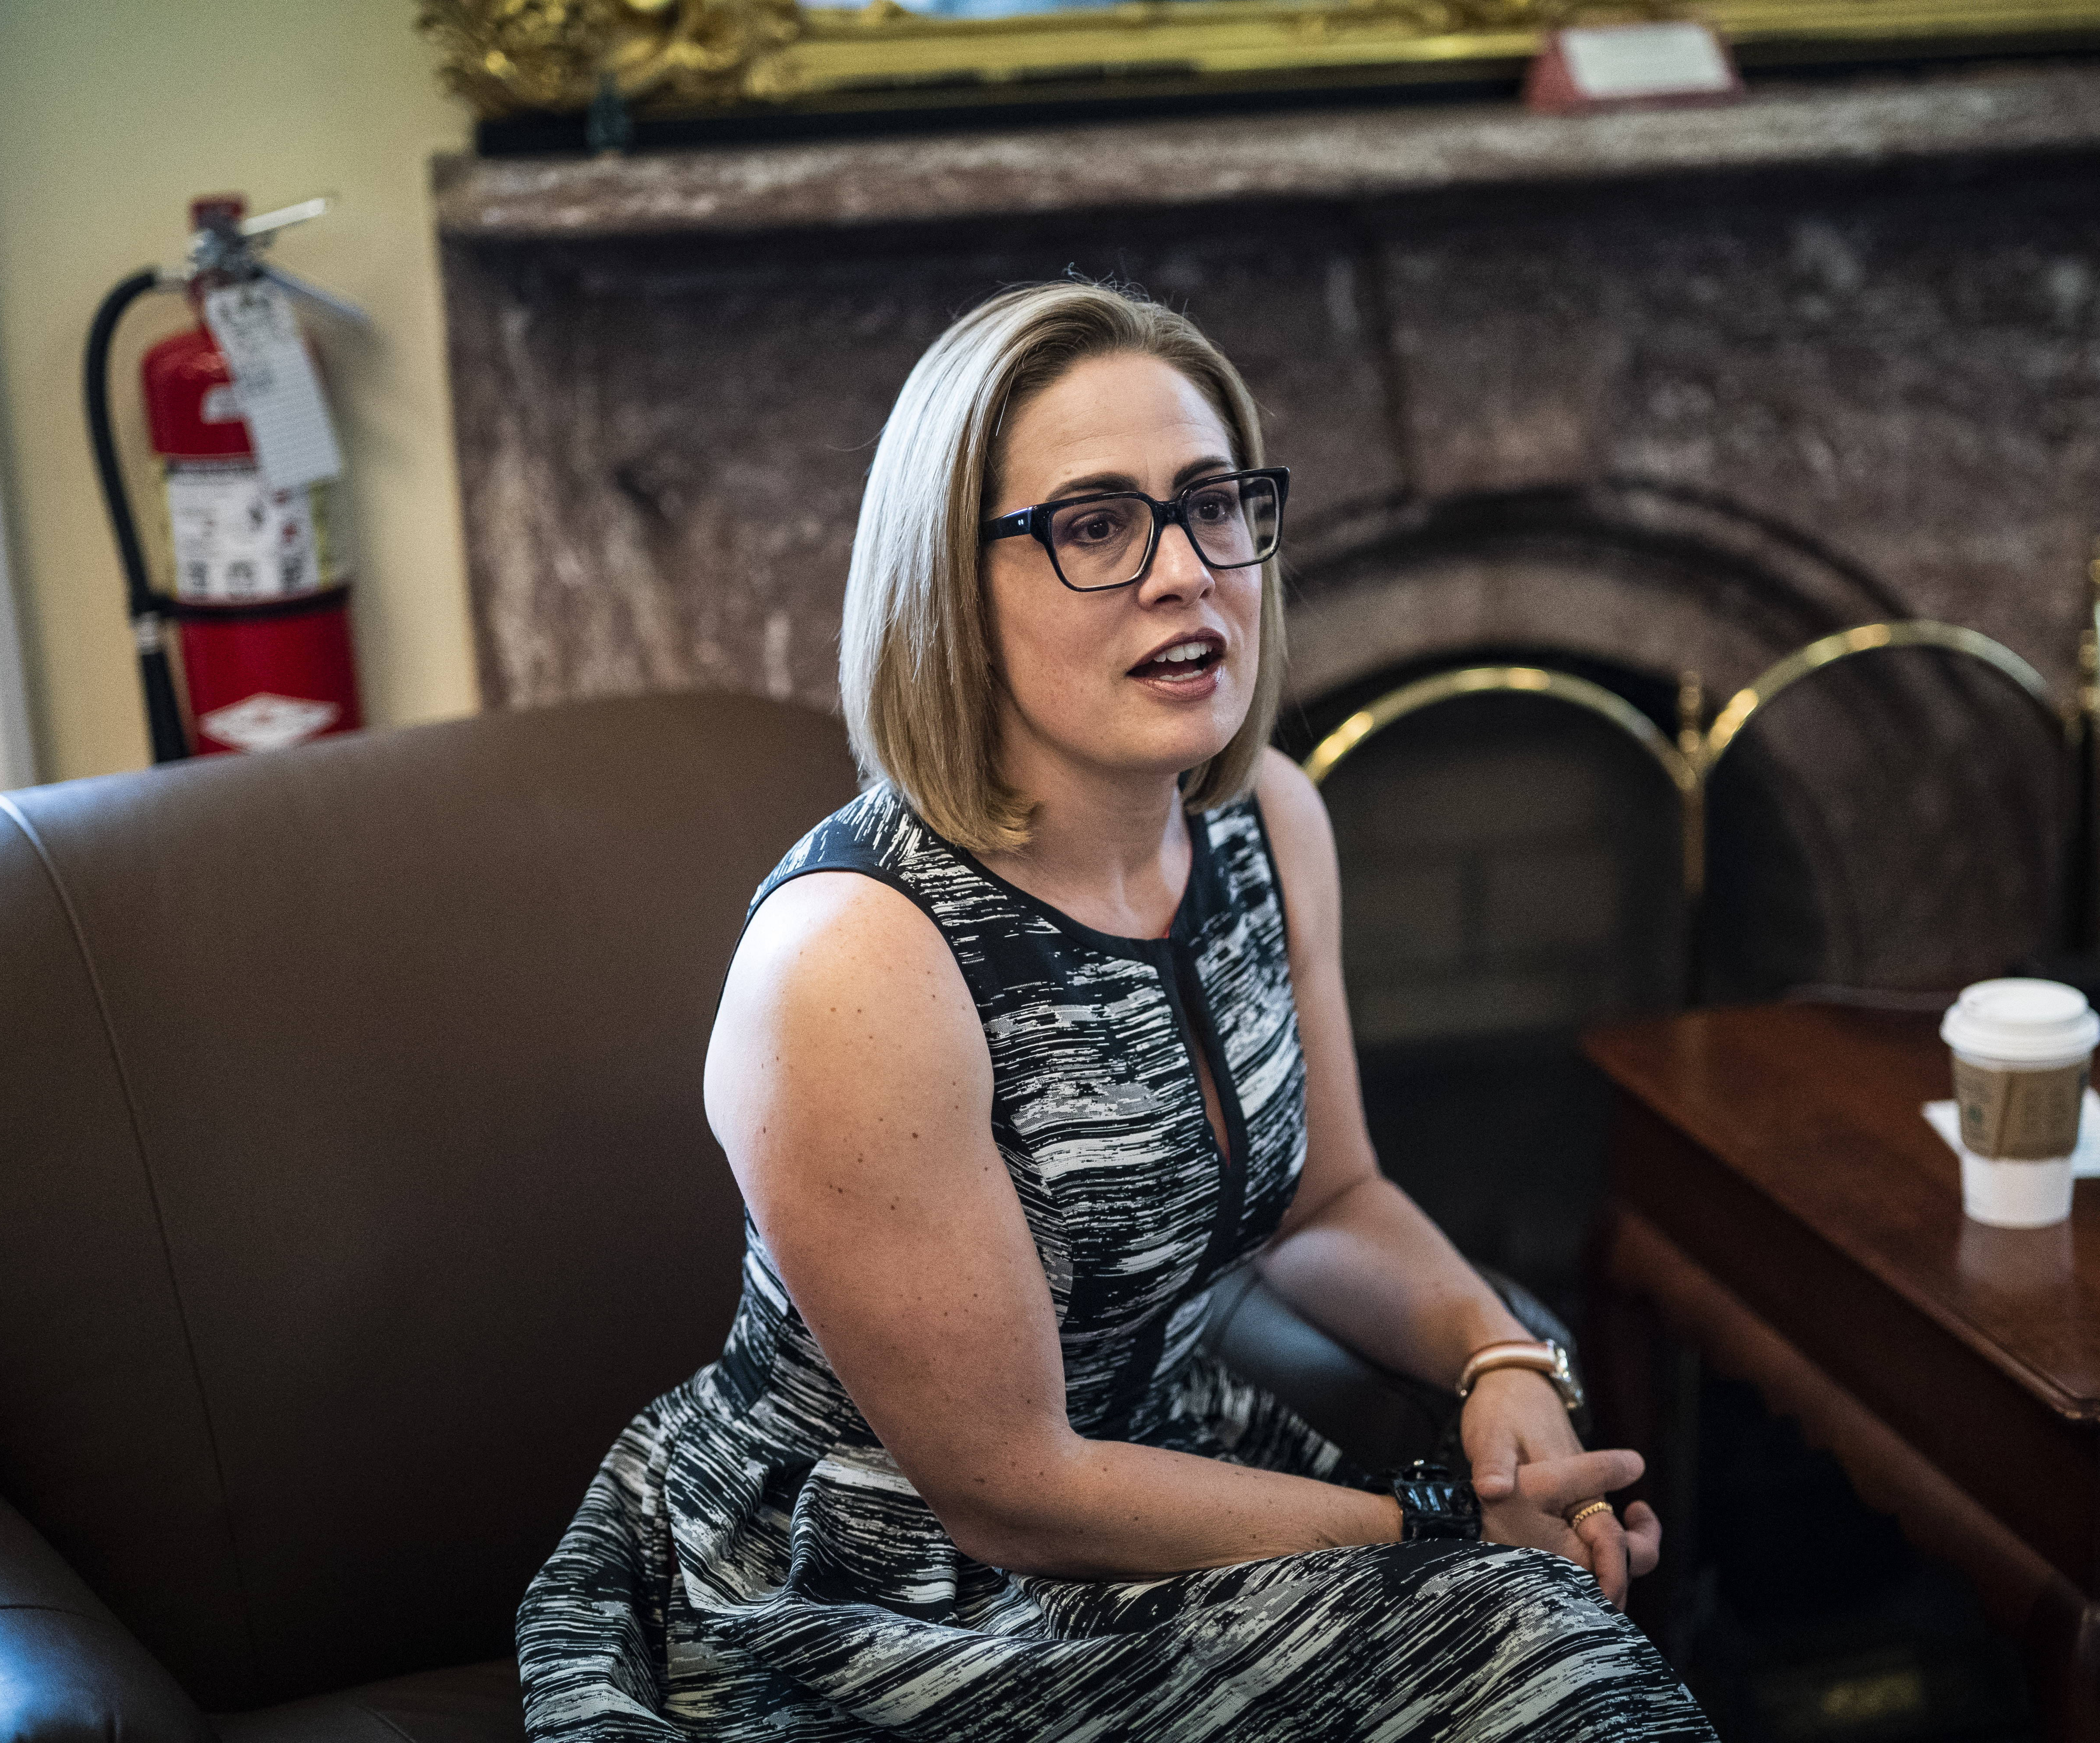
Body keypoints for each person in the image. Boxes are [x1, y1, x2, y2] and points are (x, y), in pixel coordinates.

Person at [517, 280, 1716, 1740]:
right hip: (891, 1597)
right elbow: (1012, 1488)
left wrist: (1498, 1365)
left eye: (1213, 505)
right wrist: (1437, 1525)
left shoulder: (1269, 820)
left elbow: (1327, 1200)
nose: (1185, 574)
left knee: (1561, 1653)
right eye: (1094, 526)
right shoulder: (855, 962)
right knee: (1539, 1653)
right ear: (952, 585)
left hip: (1170, 1483)